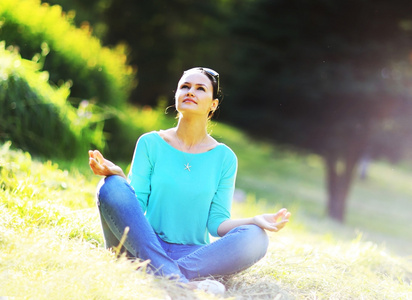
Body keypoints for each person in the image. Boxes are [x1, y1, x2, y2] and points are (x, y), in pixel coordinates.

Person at [88, 67, 291, 295]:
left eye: (200, 88)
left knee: (256, 237)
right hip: (142, 245)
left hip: (192, 257)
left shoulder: (224, 158)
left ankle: (158, 272)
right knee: (111, 186)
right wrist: (119, 176)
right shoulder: (150, 143)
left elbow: (217, 224)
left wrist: (254, 219)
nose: (190, 91)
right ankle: (178, 280)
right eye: (185, 86)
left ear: (213, 105)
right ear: (176, 96)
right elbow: (136, 205)